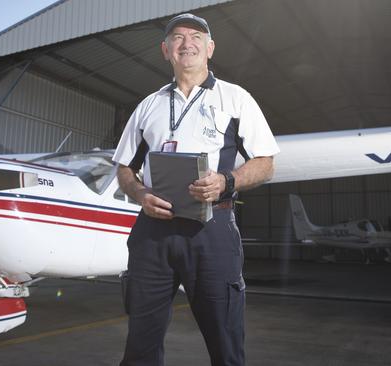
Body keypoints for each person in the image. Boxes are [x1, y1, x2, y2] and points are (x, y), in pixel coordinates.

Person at [113, 13, 280, 366]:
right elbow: (124, 168)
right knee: (141, 340)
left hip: (212, 229)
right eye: (176, 37)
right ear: (165, 49)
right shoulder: (148, 106)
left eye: (196, 37)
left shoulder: (236, 99)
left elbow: (265, 162)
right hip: (153, 233)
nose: (186, 43)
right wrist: (141, 195)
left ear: (210, 48)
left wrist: (227, 181)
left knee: (225, 337)